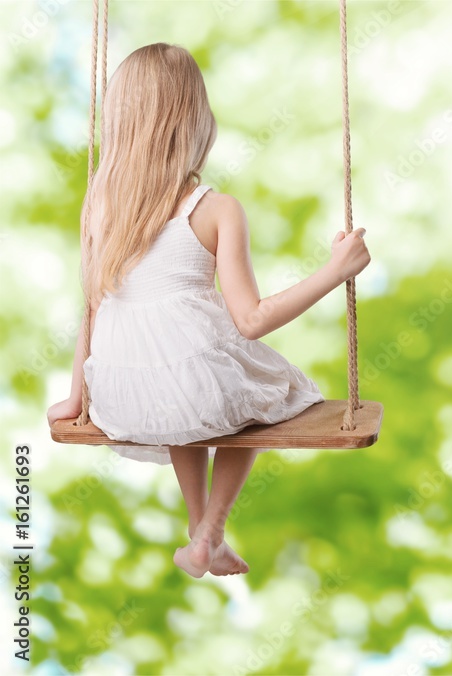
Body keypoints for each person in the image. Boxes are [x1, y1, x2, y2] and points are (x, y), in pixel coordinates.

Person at [45, 43, 371, 579]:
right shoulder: (215, 209)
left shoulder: (100, 201)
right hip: (186, 385)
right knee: (268, 393)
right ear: (196, 118)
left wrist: (77, 396)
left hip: (120, 395)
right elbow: (251, 320)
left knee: (184, 390)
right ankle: (212, 526)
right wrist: (334, 271)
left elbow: (92, 304)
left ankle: (200, 534)